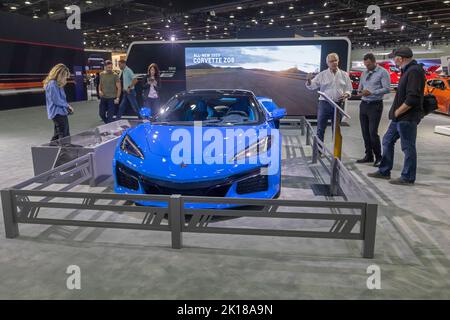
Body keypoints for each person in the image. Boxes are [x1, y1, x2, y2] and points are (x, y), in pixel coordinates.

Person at [368, 47, 425, 185]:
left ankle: (408, 177)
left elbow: (413, 98)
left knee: (408, 147)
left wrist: (398, 111)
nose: (394, 60)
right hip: (399, 118)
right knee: (387, 140)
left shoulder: (414, 71)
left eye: (394, 57)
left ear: (400, 58)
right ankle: (384, 171)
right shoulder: (407, 70)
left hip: (407, 117)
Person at [306, 53, 353, 143]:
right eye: (331, 61)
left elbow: (349, 89)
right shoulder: (322, 74)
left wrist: (347, 94)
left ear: (338, 61)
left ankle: (336, 154)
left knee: (336, 130)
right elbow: (312, 86)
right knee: (320, 129)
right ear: (327, 63)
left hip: (338, 105)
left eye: (335, 60)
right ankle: (319, 152)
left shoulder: (344, 75)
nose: (334, 63)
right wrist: (308, 80)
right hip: (324, 104)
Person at [356, 53, 391, 167]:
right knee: (365, 132)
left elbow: (387, 89)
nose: (367, 67)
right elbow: (360, 88)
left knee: (372, 133)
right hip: (364, 104)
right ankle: (368, 155)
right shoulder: (364, 73)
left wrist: (372, 92)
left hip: (375, 105)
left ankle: (378, 157)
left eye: (369, 64)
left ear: (374, 61)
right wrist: (359, 91)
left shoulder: (383, 72)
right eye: (365, 64)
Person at [43, 63, 73, 143]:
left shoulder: (57, 84)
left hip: (60, 112)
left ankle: (50, 151)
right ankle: (64, 153)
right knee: (64, 134)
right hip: (57, 113)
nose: (65, 78)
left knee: (58, 134)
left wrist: (67, 107)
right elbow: (56, 100)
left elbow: (60, 99)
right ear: (59, 74)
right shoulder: (52, 84)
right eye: (65, 76)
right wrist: (67, 105)